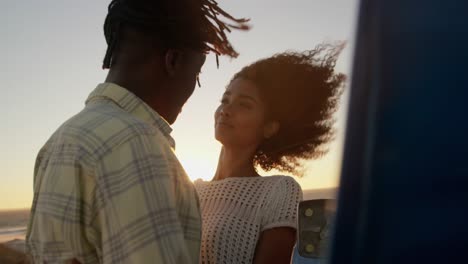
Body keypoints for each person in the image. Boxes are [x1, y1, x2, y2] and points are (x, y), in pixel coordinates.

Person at [25, 0, 249, 263]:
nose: (193, 88)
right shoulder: (137, 145)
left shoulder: (61, 139)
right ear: (173, 61)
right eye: (196, 73)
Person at [194, 43, 346, 264]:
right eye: (225, 100)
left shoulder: (278, 191)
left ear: (269, 127)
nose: (226, 110)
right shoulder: (190, 191)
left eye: (244, 105)